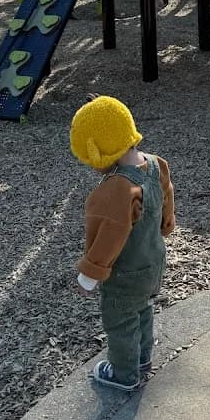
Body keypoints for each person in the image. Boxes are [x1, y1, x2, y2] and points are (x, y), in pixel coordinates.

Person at [70, 95, 175, 391]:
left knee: (120, 321)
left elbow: (109, 236)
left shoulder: (117, 189)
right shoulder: (156, 165)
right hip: (153, 262)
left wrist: (89, 276)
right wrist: (166, 225)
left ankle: (124, 373)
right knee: (142, 308)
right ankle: (142, 358)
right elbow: (166, 199)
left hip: (125, 274)